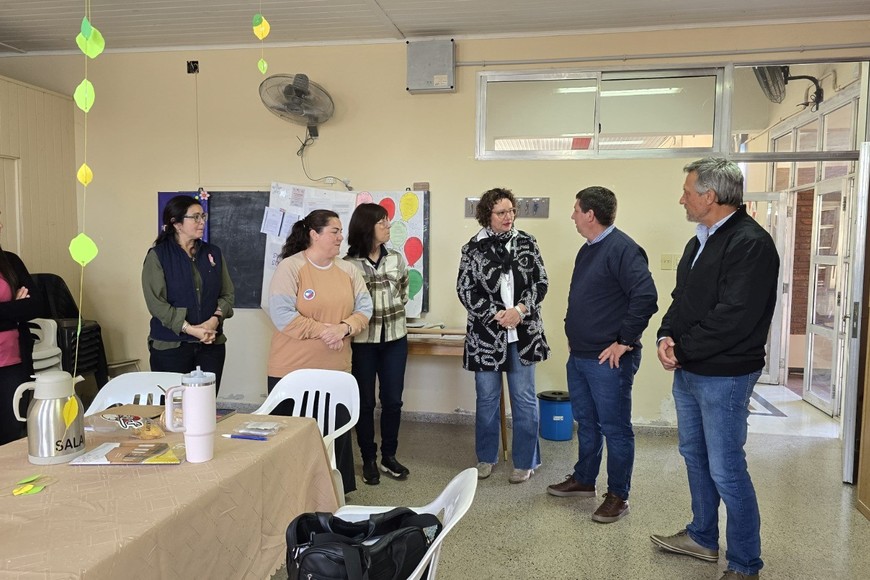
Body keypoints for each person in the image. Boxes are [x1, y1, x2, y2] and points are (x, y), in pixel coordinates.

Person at [650, 158, 779, 580]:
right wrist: (666, 337)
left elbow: (735, 316)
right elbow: (681, 297)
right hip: (690, 368)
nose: (681, 198)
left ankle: (744, 564)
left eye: (688, 191)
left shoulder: (750, 243)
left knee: (726, 466)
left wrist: (683, 350)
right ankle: (703, 538)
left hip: (725, 373)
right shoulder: (700, 240)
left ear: (710, 196)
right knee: (694, 456)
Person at [547, 186, 657, 524]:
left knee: (615, 428)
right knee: (588, 423)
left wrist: (624, 341)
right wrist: (573, 331)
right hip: (581, 355)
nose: (572, 216)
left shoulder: (623, 249)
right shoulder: (588, 250)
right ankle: (584, 480)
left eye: (576, 209)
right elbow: (584, 297)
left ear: (590, 214)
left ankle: (618, 496)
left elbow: (646, 298)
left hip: (608, 361)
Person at [268, 209, 372, 494]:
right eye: (334, 231)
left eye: (341, 231)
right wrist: (326, 330)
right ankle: (290, 497)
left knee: (335, 437)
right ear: (314, 234)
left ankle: (336, 497)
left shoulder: (349, 270)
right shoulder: (290, 267)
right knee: (291, 440)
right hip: (291, 372)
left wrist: (344, 328)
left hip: (336, 371)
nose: (341, 237)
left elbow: (365, 309)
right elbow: (282, 316)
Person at [456, 187, 550, 484]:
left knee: (524, 399)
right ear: (487, 216)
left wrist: (520, 310)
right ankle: (486, 457)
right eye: (501, 212)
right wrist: (495, 313)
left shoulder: (527, 242)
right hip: (486, 337)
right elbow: (465, 290)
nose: (508, 217)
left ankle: (525, 461)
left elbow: (541, 282)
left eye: (511, 211)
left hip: (524, 334)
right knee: (486, 399)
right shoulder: (472, 248)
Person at [344, 203, 411, 485]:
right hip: (363, 342)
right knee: (365, 402)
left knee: (393, 400)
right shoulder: (347, 265)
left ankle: (389, 456)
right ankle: (368, 458)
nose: (387, 227)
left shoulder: (396, 258)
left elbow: (404, 292)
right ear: (367, 227)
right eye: (382, 222)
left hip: (395, 338)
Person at [142, 195, 234, 392]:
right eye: (195, 217)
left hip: (211, 344)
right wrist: (190, 329)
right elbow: (156, 304)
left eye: (203, 216)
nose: (202, 222)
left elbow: (227, 294)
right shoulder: (158, 255)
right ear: (176, 224)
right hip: (171, 348)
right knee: (174, 409)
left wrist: (214, 320)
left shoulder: (213, 253)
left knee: (204, 407)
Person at [0, 215, 43, 445]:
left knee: (12, 432)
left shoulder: (11, 262)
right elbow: (22, 309)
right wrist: (14, 309)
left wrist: (9, 311)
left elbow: (36, 304)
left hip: (13, 363)